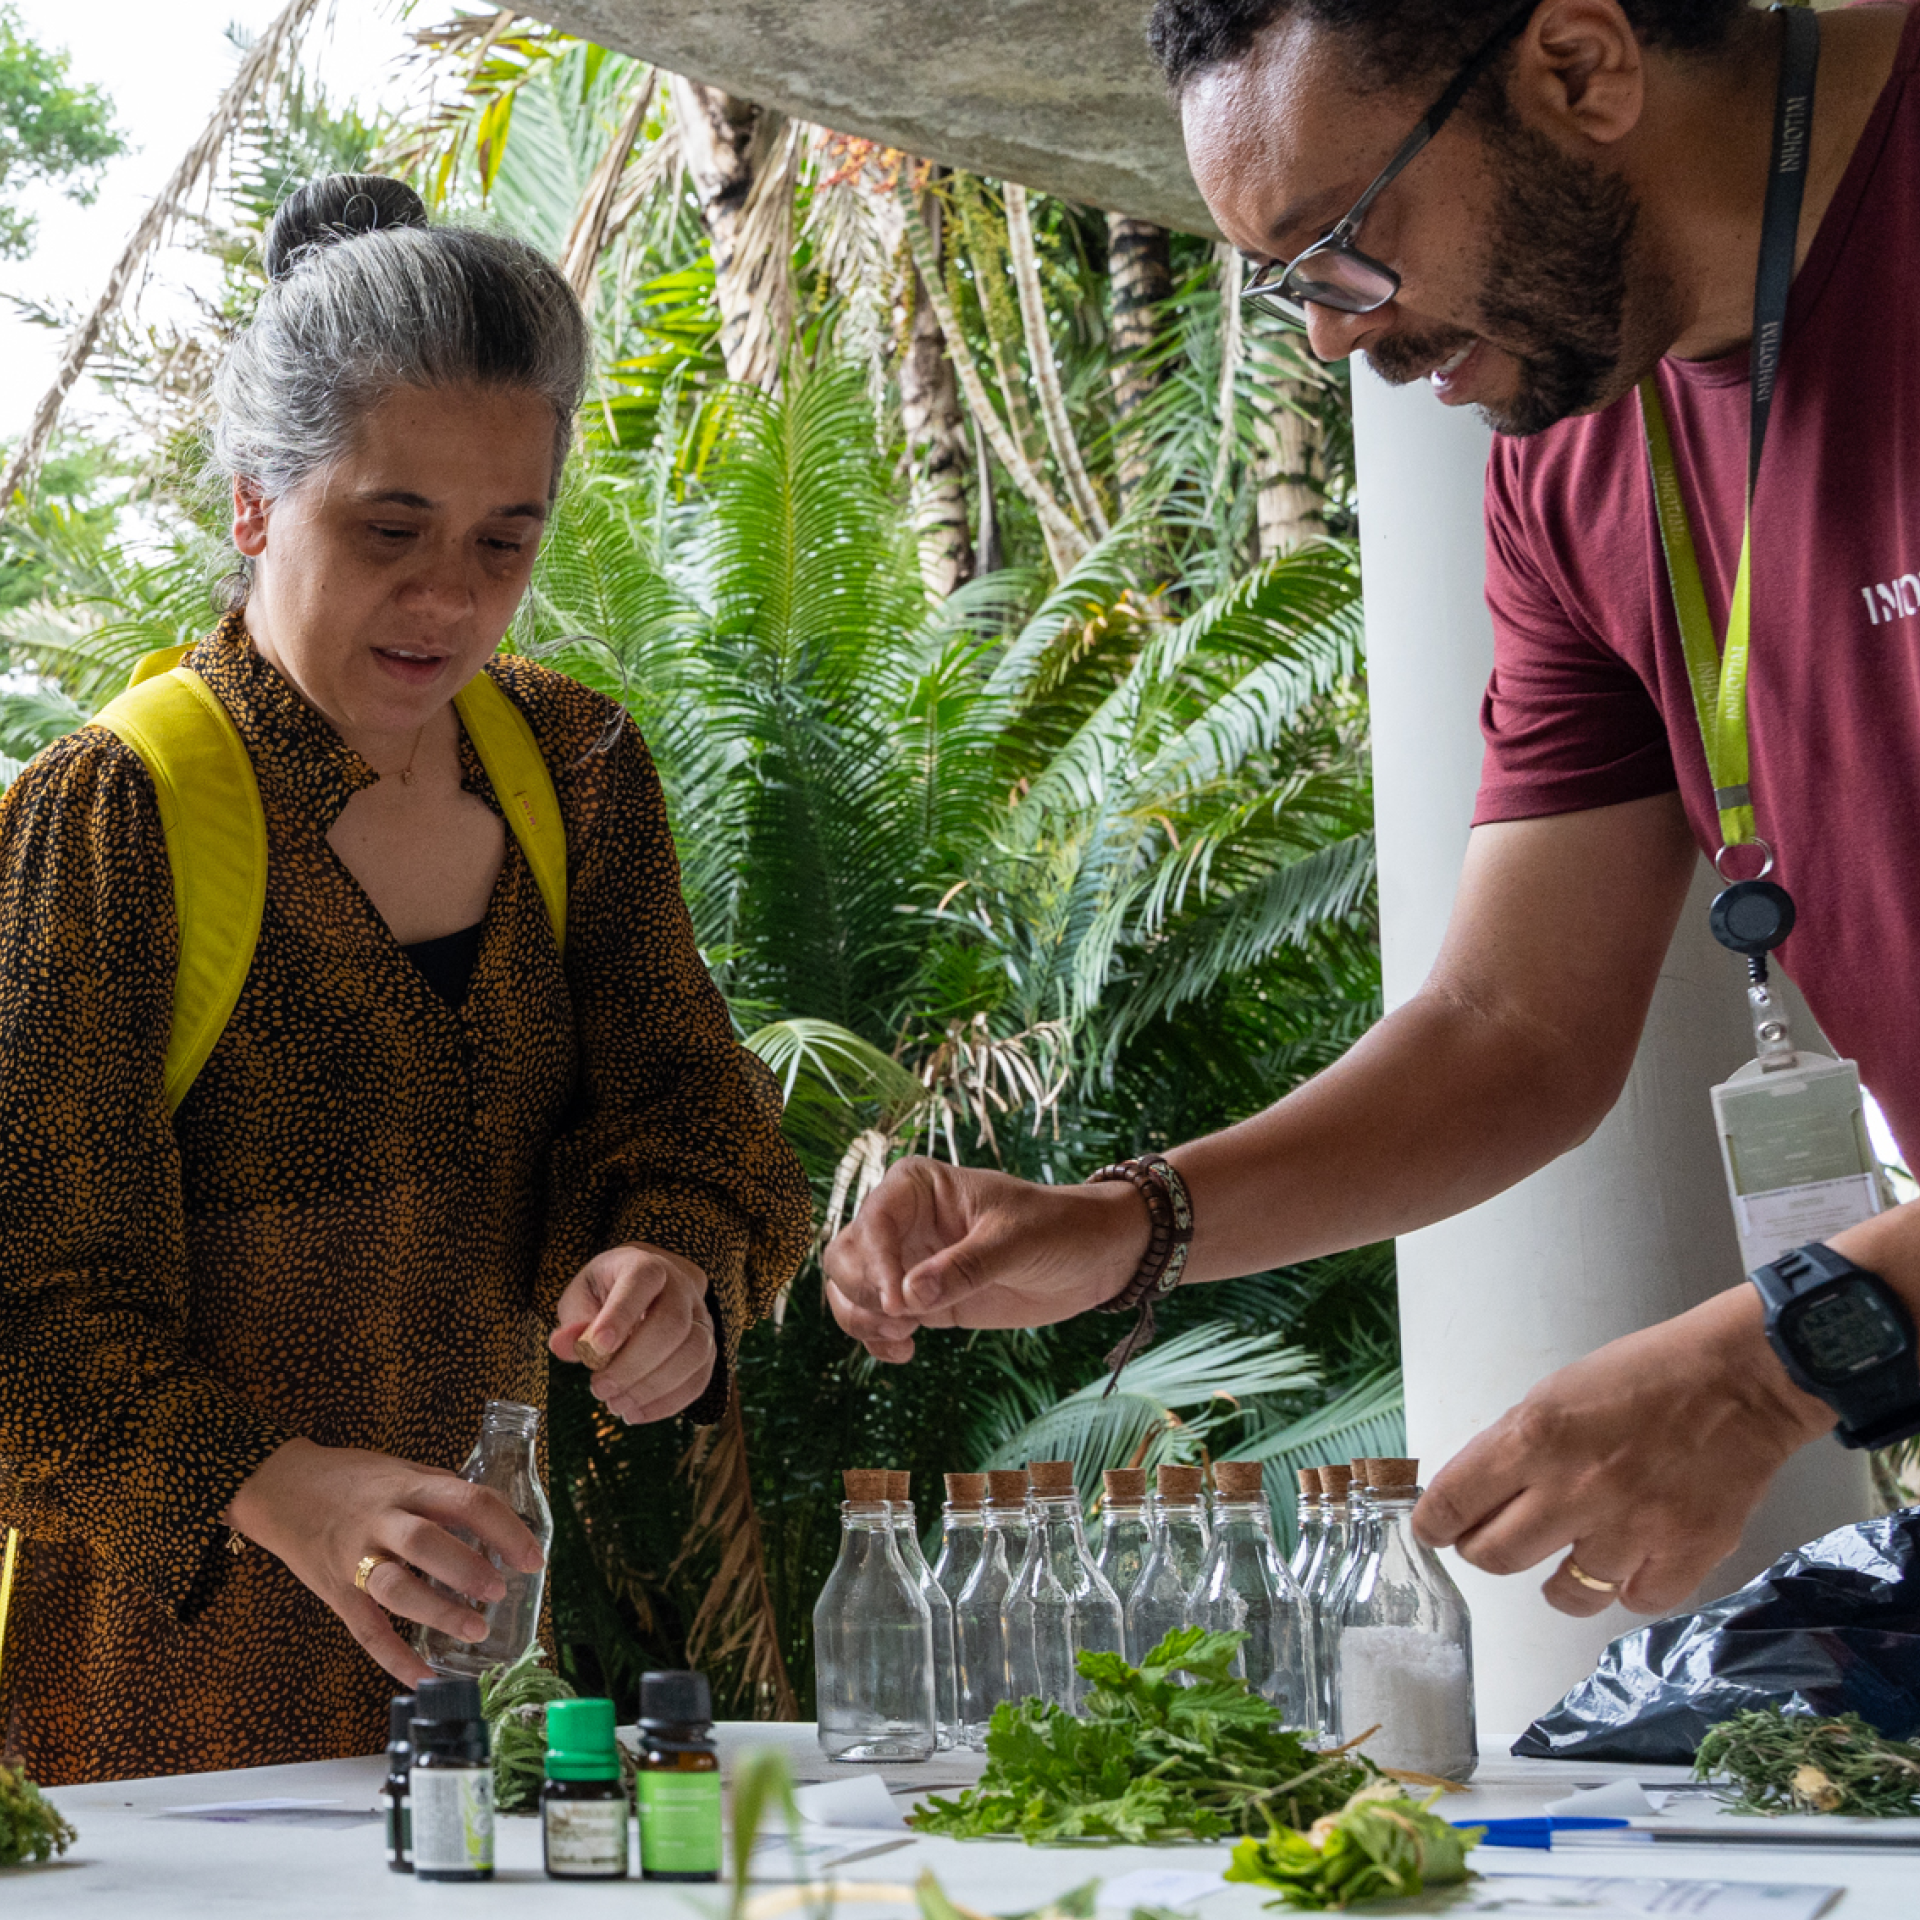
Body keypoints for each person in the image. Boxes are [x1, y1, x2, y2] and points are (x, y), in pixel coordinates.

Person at [826, 0, 1920, 1623]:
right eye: (1292, 288)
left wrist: (1777, 1361)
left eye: (1344, 244)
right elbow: (1512, 1021)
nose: (1335, 337)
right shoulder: (1574, 464)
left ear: (1578, 64)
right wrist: (1135, 1224)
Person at [0, 174, 812, 1785]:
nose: (448, 598)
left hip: (494, 1705)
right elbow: (25, 1303)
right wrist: (278, 1484)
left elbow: (692, 1121)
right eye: (390, 531)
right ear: (252, 503)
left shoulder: (575, 769)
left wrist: (668, 1262)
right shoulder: (113, 817)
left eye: (506, 541)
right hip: (146, 1721)